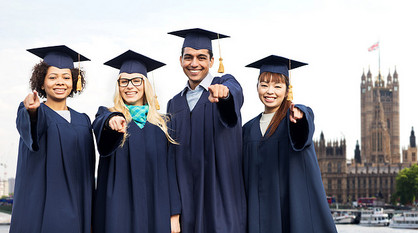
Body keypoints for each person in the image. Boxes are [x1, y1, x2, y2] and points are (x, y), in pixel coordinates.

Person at [243, 55, 337, 233]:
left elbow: (303, 131)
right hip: (257, 215)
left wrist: (300, 118)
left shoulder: (292, 119)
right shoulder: (248, 129)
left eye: (277, 86)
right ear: (257, 88)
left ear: (287, 90)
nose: (270, 91)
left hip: (289, 212)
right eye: (264, 85)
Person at [92, 50, 181, 233]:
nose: (129, 86)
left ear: (145, 84)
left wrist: (174, 216)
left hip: (155, 208)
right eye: (124, 81)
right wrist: (112, 122)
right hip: (117, 208)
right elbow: (101, 127)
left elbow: (170, 172)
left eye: (136, 81)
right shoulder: (107, 114)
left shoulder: (162, 124)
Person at [166, 28, 246, 233]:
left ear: (211, 61)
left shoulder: (225, 85)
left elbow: (234, 96)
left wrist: (225, 96)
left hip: (220, 201)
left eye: (201, 57)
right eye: (188, 57)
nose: (194, 63)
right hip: (187, 206)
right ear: (180, 60)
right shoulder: (174, 104)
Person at [13, 45, 94, 233]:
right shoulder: (35, 111)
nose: (60, 82)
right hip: (43, 210)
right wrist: (31, 112)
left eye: (66, 77)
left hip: (79, 208)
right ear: (41, 83)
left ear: (74, 82)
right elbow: (32, 128)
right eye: (52, 77)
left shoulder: (83, 120)